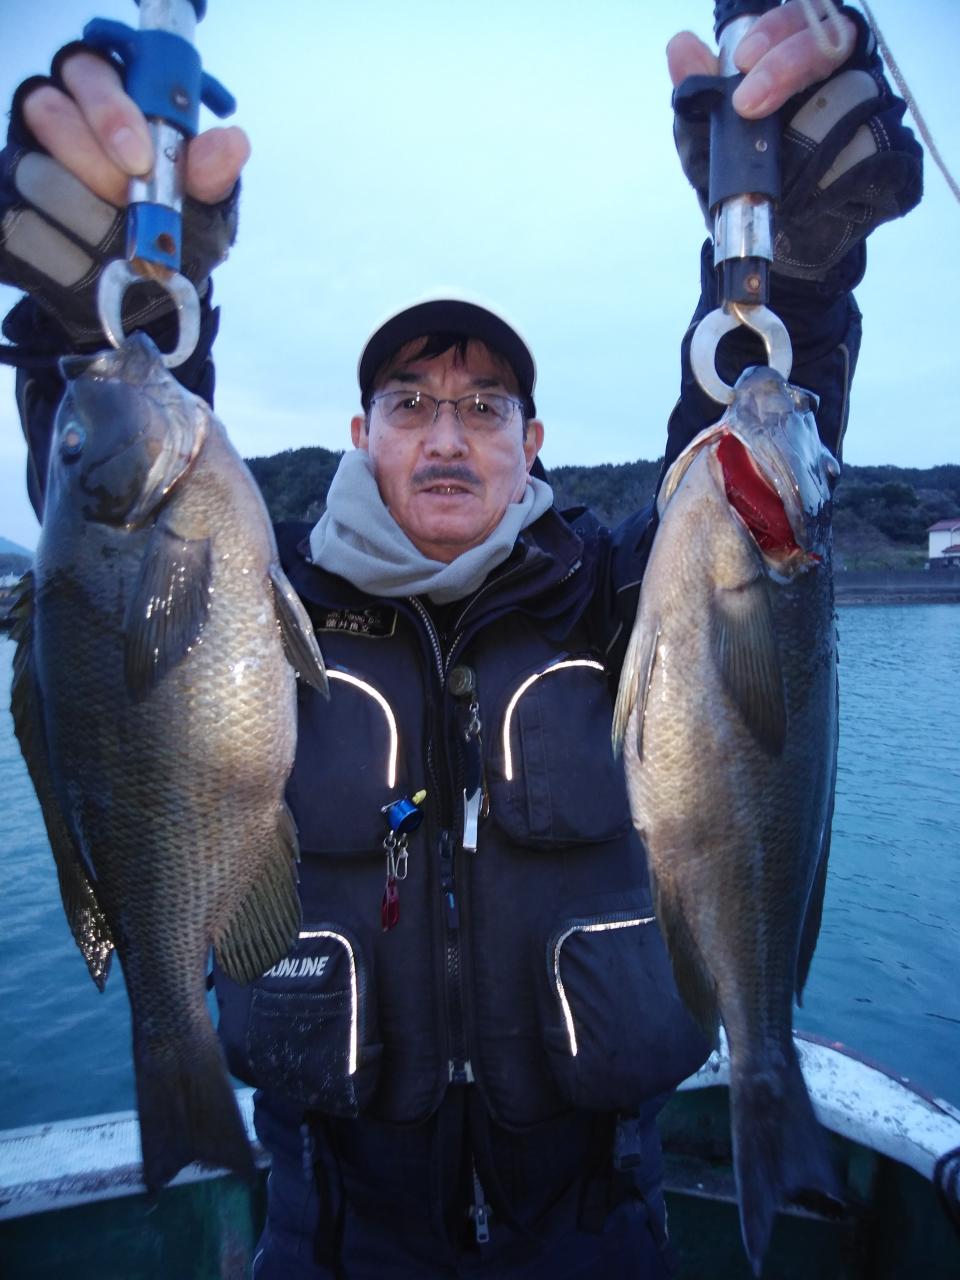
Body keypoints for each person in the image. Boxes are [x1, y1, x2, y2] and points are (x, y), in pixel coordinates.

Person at [0, 4, 921, 1276]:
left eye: (486, 406)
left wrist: (799, 286)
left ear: (533, 442)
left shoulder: (617, 593)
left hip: (601, 1228)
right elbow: (110, 577)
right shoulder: (269, 599)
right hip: (329, 1236)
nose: (447, 434)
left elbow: (751, 524)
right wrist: (89, 334)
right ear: (361, 431)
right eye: (410, 402)